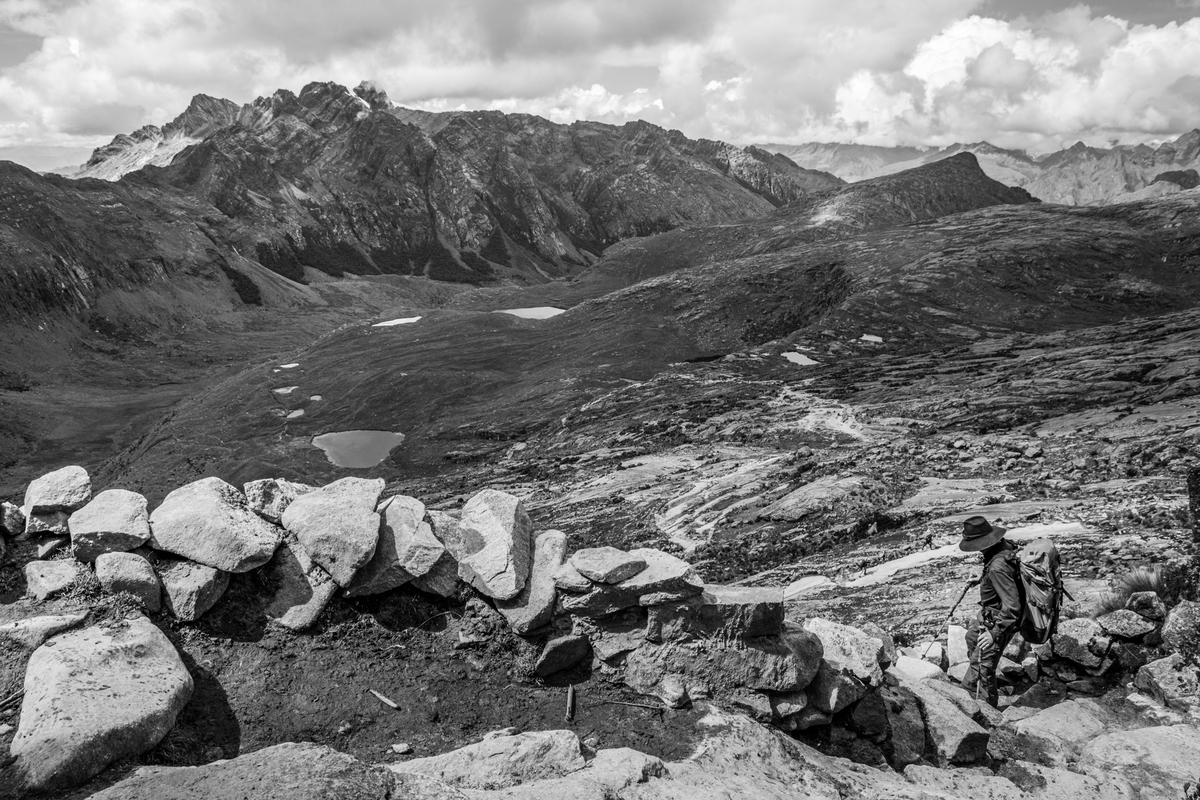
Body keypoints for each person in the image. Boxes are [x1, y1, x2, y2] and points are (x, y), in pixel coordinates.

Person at [958, 515, 1022, 708]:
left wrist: (994, 634)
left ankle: (987, 710)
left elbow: (1012, 606)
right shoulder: (1003, 548)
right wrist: (983, 579)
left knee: (979, 671)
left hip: (998, 621)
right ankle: (984, 670)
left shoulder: (997, 567)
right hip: (989, 615)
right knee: (971, 638)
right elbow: (1008, 577)